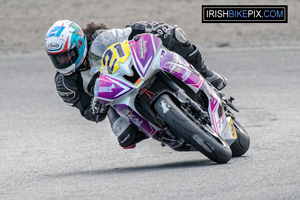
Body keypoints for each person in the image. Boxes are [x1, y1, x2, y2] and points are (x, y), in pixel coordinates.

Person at [45, 20, 227, 150]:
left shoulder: (99, 38)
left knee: (174, 35)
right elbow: (88, 112)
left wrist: (150, 28)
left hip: (136, 69)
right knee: (126, 137)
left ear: (79, 44)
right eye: (57, 58)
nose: (63, 61)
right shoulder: (65, 83)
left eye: (67, 55)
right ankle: (167, 130)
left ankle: (205, 74)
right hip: (115, 99)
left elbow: (129, 33)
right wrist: (95, 108)